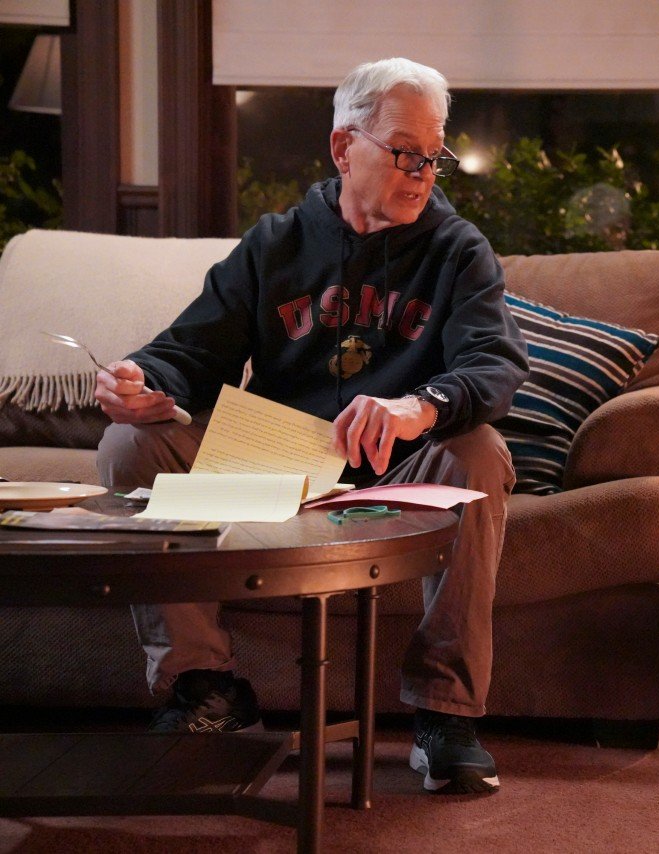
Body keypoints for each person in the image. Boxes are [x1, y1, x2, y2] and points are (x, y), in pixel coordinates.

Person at [93, 57, 529, 796]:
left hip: (397, 476)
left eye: (434, 155)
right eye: (404, 152)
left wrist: (417, 406)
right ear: (342, 146)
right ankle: (204, 689)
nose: (424, 172)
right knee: (129, 442)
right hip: (275, 469)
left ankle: (445, 716)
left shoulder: (459, 251)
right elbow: (188, 354)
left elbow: (495, 366)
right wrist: (141, 383)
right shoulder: (277, 243)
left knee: (480, 454)